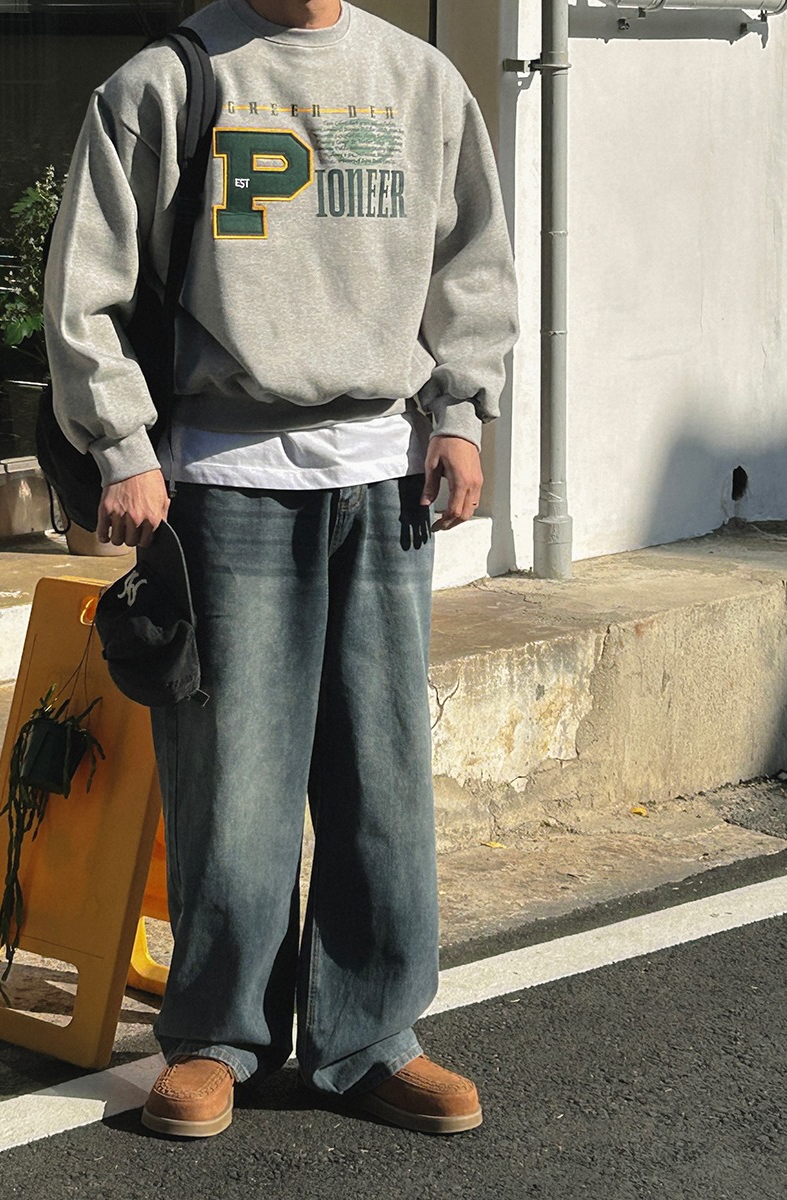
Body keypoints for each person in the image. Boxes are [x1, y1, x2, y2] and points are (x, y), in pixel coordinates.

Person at [44, 0, 519, 1139]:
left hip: (384, 473)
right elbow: (85, 288)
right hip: (223, 477)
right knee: (234, 780)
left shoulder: (418, 79)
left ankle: (373, 1037)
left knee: (381, 772)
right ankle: (220, 1040)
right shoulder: (165, 82)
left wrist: (460, 413)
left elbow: (471, 259)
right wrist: (122, 446)